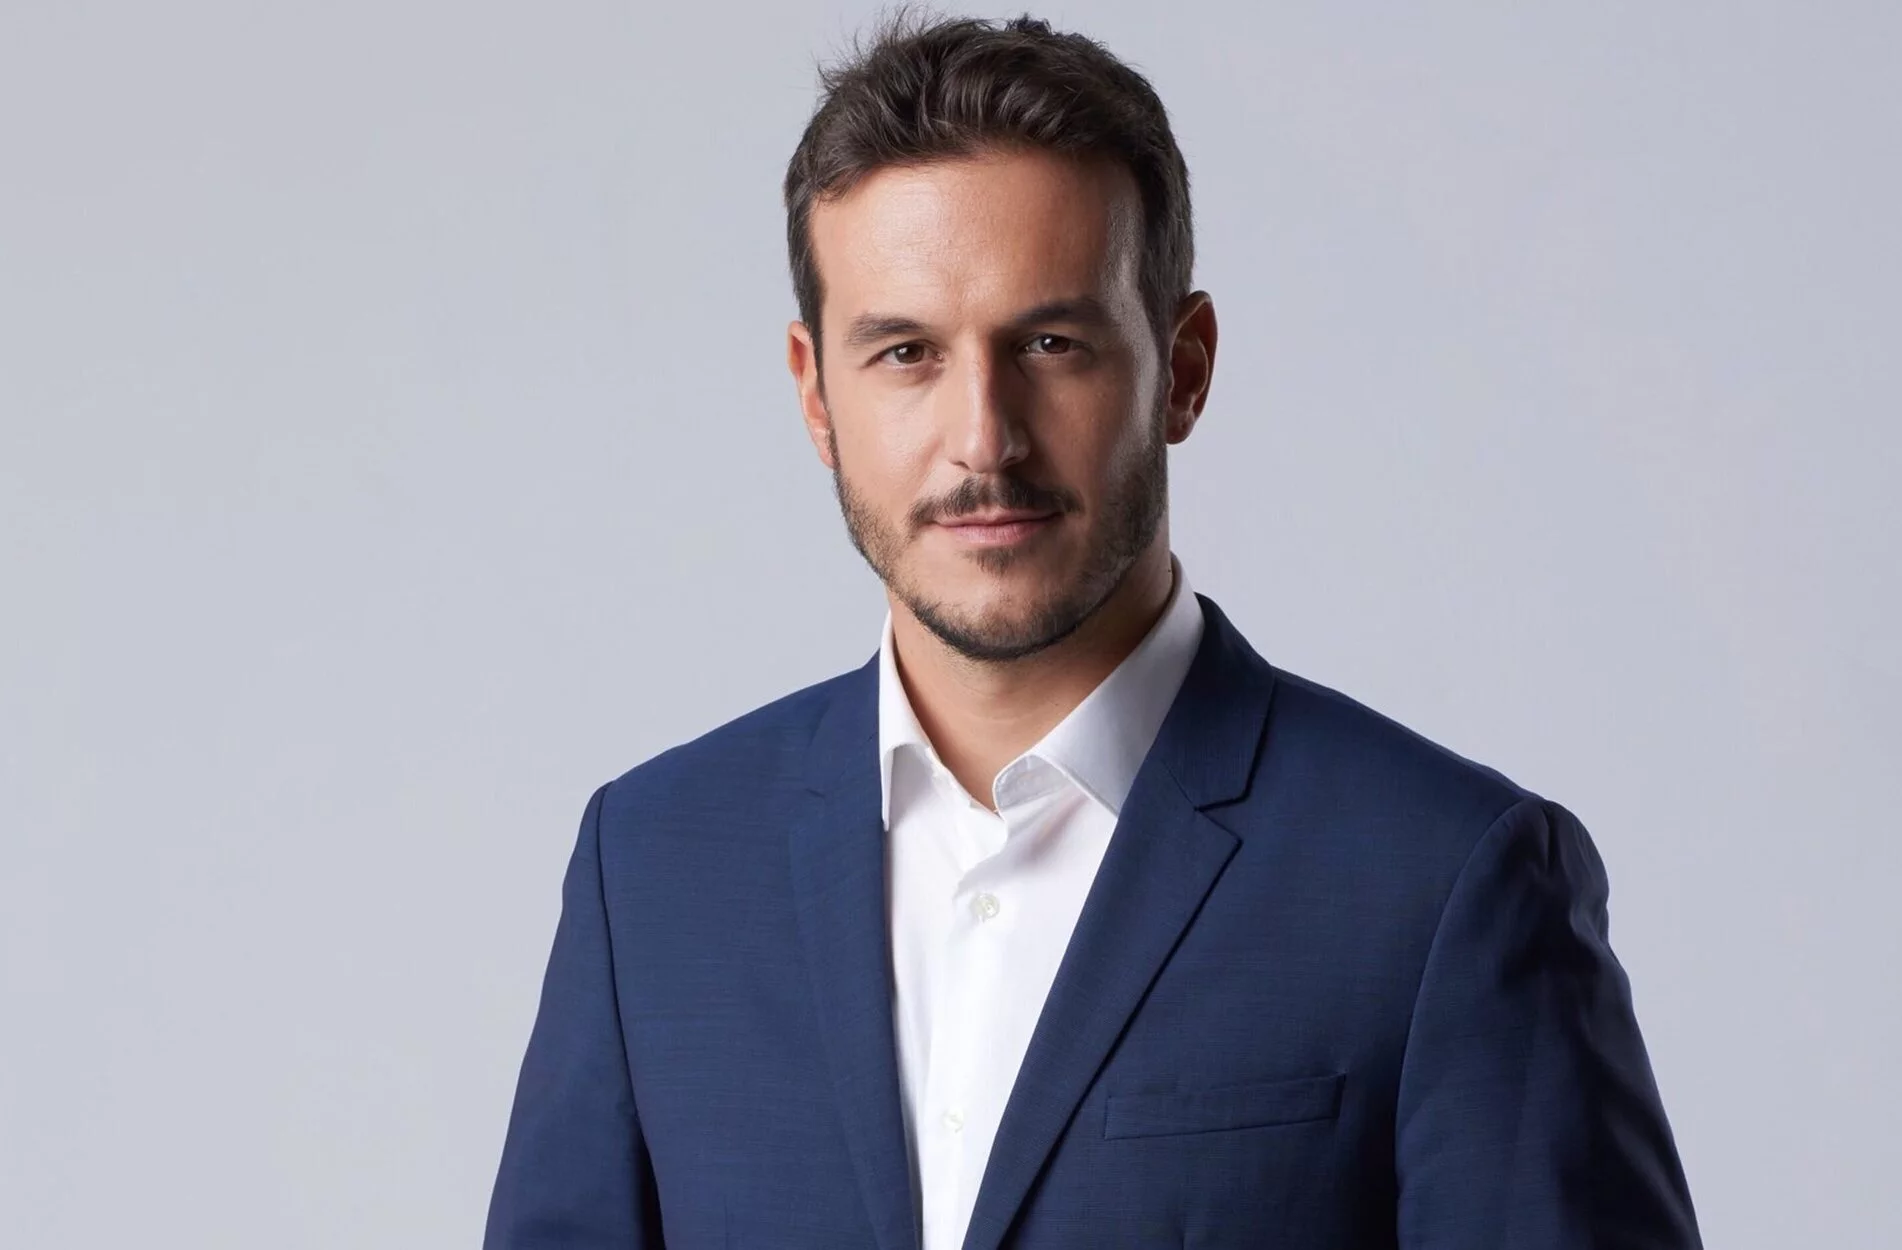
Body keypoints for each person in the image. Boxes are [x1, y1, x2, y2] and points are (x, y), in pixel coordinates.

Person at [483, 12, 1703, 1249]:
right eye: (904, 352)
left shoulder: (1440, 880)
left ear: (1182, 366)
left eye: (1050, 344)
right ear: (814, 393)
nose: (983, 437)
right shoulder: (652, 868)